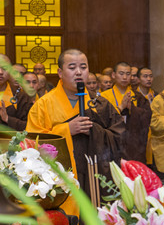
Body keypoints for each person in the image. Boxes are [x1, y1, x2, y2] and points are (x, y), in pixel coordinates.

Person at [26, 49, 125, 216]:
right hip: (61, 184)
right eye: (72, 67)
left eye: (83, 67)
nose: (79, 72)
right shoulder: (43, 105)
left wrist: (96, 132)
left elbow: (119, 137)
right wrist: (66, 130)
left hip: (96, 178)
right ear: (60, 72)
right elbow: (31, 145)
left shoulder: (99, 104)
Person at [101, 62, 152, 163]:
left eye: (128, 74)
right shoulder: (104, 97)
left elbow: (147, 118)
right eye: (121, 73)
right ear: (113, 75)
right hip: (112, 144)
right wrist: (120, 108)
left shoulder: (138, 97)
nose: (125, 77)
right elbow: (102, 119)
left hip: (133, 145)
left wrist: (132, 109)